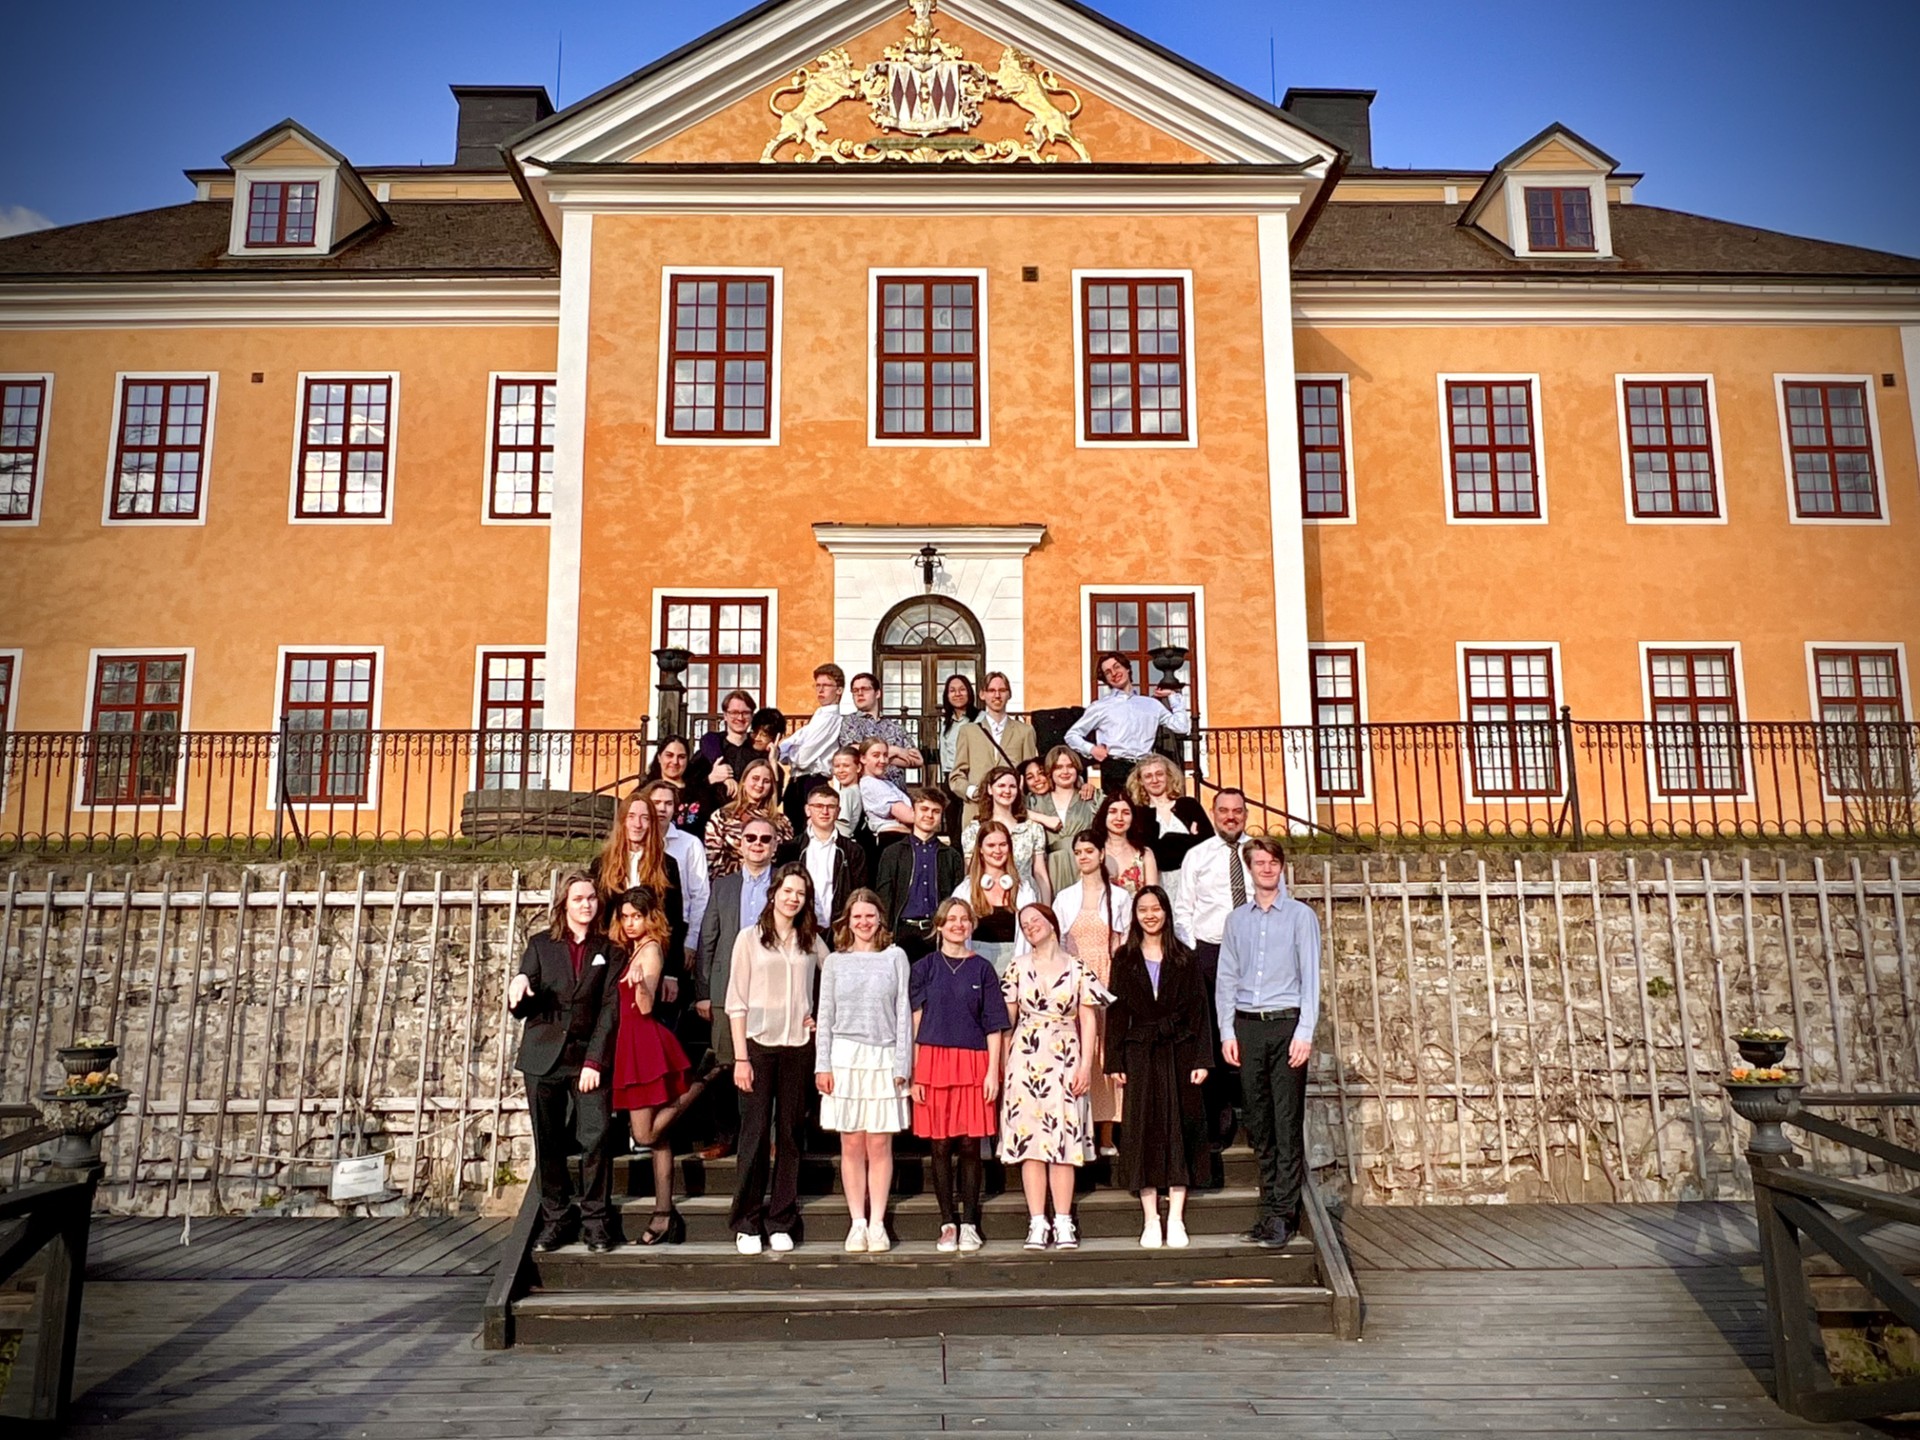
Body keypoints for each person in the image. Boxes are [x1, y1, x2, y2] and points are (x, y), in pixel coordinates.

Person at [509, 874, 621, 1253]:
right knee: (549, 1142)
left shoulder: (609, 950)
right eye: (578, 899)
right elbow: (526, 999)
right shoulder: (541, 945)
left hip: (587, 1058)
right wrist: (517, 989)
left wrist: (595, 1060)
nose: (586, 904)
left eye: (591, 898)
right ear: (565, 905)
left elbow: (610, 1009)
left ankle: (596, 1220)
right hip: (543, 1058)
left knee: (597, 1136)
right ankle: (556, 1218)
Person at [1217, 838, 1320, 1249]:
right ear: (1250, 868)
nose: (1266, 868)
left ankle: (1283, 1213)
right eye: (1259, 862)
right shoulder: (1236, 921)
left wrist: (1305, 1032)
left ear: (1281, 866)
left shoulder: (1299, 916)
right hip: (1248, 1027)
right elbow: (1226, 978)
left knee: (1286, 1120)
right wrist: (1227, 1031)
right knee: (1259, 1122)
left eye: (1272, 862)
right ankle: (1267, 1210)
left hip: (1285, 1024)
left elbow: (1310, 977)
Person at [726, 864, 828, 1254]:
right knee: (753, 1136)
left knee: (789, 1134)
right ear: (774, 893)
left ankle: (781, 1217)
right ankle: (747, 1220)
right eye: (788, 891)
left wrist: (822, 1017)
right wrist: (740, 1059)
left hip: (798, 1047)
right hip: (757, 1047)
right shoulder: (749, 939)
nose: (793, 898)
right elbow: (736, 1002)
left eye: (800, 894)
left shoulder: (810, 941)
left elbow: (834, 974)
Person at [1104, 885, 1211, 1248]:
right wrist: (1114, 1058)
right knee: (1142, 1129)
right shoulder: (1124, 959)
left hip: (1179, 1050)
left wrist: (1202, 1058)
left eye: (1156, 909)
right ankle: (1151, 1217)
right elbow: (1116, 1013)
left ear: (1166, 912)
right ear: (1135, 916)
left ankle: (1177, 1217)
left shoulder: (1185, 957)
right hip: (1140, 1052)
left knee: (1179, 1126)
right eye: (1143, 910)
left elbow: (1200, 1010)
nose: (1150, 915)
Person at [814, 889, 913, 1253]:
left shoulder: (895, 957)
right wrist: (821, 1063)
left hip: (884, 1057)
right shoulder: (836, 962)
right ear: (848, 921)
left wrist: (903, 1063)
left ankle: (877, 1223)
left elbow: (904, 1012)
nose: (864, 922)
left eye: (870, 916)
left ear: (880, 919)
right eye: (857, 916)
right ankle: (857, 1222)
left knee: (879, 1143)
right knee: (851, 1143)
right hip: (844, 1057)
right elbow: (825, 1015)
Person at [910, 899, 1010, 1253]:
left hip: (973, 1062)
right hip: (933, 1062)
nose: (957, 924)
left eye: (964, 919)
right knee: (939, 1145)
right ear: (939, 925)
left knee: (970, 1144)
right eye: (950, 919)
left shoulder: (983, 970)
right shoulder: (924, 968)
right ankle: (947, 1222)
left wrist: (993, 1073)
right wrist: (916, 1072)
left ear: (971, 926)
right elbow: (916, 1021)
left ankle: (969, 1223)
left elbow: (995, 1025)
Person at [998, 902, 1098, 1252]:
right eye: (1024, 925)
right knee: (1032, 1144)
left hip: (1066, 1055)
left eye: (1035, 921)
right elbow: (1006, 1022)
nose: (1030, 928)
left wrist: (1085, 1065)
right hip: (1025, 1058)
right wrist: (1002, 1065)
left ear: (1052, 923)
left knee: (1064, 1143)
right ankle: (1037, 1220)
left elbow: (1088, 1019)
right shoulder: (1017, 968)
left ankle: (1064, 1220)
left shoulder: (1077, 968)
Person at [610, 887, 704, 1246]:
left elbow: (646, 1006)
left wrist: (642, 989)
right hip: (632, 1046)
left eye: (638, 916)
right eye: (626, 916)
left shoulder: (650, 950)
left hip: (645, 1045)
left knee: (644, 1135)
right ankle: (664, 1214)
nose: (631, 923)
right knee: (658, 1138)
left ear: (651, 917)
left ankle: (702, 1085)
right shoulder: (632, 947)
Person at [694, 816, 780, 1159]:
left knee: (770, 1063)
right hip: (729, 987)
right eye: (751, 838)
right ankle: (726, 1135)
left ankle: (771, 1138)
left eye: (765, 839)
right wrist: (703, 991)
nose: (757, 844)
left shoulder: (784, 885)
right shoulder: (723, 887)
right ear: (740, 844)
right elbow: (708, 938)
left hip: (774, 989)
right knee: (727, 1064)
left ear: (775, 846)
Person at [1171, 787, 1253, 1147]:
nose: (1230, 817)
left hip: (1254, 953)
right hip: (1210, 951)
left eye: (1237, 811)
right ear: (1214, 814)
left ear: (1245, 814)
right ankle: (1219, 1115)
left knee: (1250, 1030)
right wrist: (1191, 956)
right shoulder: (1197, 855)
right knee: (1215, 1033)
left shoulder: (1260, 853)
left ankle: (1253, 1112)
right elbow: (1183, 908)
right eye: (1224, 811)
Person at [1053, 830, 1130, 1155]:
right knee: (1080, 1053)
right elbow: (1057, 944)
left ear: (1101, 854)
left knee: (1106, 1053)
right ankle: (1081, 1132)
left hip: (1109, 978)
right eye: (1078, 852)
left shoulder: (1120, 897)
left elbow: (1125, 944)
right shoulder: (1065, 898)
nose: (1083, 856)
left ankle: (1108, 1134)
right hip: (1075, 981)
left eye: (1089, 851)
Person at [592, 792, 688, 1006]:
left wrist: (672, 973)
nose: (637, 824)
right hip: (613, 954)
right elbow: (598, 919)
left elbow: (675, 920)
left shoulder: (667, 865)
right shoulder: (602, 865)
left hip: (653, 955)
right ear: (623, 821)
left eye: (644, 818)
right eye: (632, 816)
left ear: (652, 824)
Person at [1066, 651, 1192, 798]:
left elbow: (1181, 727)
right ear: (1105, 679)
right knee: (1118, 814)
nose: (1114, 673)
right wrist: (1092, 749)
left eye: (1117, 667)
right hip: (1115, 768)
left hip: (1144, 768)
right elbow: (1072, 735)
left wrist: (1173, 697)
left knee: (1145, 814)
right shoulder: (1100, 706)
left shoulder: (1151, 704)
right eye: (1108, 672)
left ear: (1127, 669)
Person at [876, 788, 964, 960]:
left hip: (937, 932)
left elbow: (956, 899)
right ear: (913, 812)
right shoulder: (893, 853)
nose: (929, 815)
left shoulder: (951, 856)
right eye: (924, 809)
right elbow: (884, 897)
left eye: (936, 811)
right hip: (902, 932)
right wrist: (886, 933)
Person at [642, 779, 708, 1001]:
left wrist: (691, 942)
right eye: (656, 802)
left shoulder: (689, 844)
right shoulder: (635, 843)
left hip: (677, 933)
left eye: (668, 803)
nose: (661, 808)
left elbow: (700, 896)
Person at [1126, 755, 1214, 909]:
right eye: (1148, 776)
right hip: (1159, 885)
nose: (1154, 780)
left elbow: (1208, 844)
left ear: (1169, 776)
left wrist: (1166, 842)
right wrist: (1187, 840)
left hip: (1194, 885)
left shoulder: (1188, 806)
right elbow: (1154, 855)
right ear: (1140, 781)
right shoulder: (1139, 814)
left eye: (1159, 774)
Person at [777, 782, 867, 928]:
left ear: (838, 812)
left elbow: (859, 894)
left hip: (839, 930)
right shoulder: (791, 849)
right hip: (798, 927)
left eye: (831, 807)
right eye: (818, 806)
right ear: (807, 810)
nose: (824, 812)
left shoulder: (853, 852)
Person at [951, 820, 1036, 975]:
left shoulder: (1023, 890)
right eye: (991, 845)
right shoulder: (965, 890)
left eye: (1002, 844)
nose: (997, 850)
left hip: (1014, 968)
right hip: (974, 966)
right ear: (980, 850)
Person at [949, 671, 1039, 814]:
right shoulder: (968, 732)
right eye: (991, 690)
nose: (997, 695)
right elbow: (956, 776)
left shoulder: (1025, 731)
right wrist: (972, 792)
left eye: (1002, 690)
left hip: (1012, 811)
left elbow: (1029, 774)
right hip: (976, 811)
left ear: (1009, 694)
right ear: (982, 695)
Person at [961, 765, 1052, 903]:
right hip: (988, 901)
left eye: (1012, 786)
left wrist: (1046, 908)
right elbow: (971, 873)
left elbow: (1040, 873)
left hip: (1025, 900)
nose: (1007, 791)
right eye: (1001, 786)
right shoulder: (973, 831)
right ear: (990, 789)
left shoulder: (1032, 829)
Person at [778, 663, 847, 831]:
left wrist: (792, 752)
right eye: (818, 685)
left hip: (813, 780)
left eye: (826, 685)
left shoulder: (831, 719)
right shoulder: (818, 715)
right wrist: (790, 750)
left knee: (808, 832)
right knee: (792, 831)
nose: (820, 690)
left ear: (839, 690)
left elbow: (802, 758)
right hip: (796, 782)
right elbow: (785, 747)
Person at [705, 757, 792, 879]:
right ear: (744, 780)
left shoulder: (781, 822)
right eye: (755, 778)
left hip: (770, 885)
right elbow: (711, 858)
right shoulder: (723, 816)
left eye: (766, 781)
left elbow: (786, 862)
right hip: (731, 884)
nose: (760, 785)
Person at [1029, 746, 1096, 897]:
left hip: (1086, 865)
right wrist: (1042, 818)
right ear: (1050, 772)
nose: (1065, 772)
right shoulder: (1036, 801)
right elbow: (1012, 812)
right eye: (1059, 767)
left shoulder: (1091, 797)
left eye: (1070, 766)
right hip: (1052, 868)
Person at [839, 672, 922, 786]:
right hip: (866, 794)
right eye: (855, 690)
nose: (860, 693)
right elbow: (852, 752)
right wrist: (896, 751)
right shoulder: (850, 721)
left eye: (865, 689)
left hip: (897, 793)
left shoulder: (895, 727)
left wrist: (872, 756)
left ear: (877, 693)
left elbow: (918, 760)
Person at [687, 689, 759, 819]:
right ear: (725, 716)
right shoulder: (710, 748)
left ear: (752, 716)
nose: (740, 717)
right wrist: (711, 779)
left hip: (750, 823)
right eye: (734, 712)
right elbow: (691, 787)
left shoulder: (757, 751)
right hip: (711, 822)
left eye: (746, 713)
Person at [856, 737, 914, 851]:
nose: (882, 760)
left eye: (885, 755)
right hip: (894, 841)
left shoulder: (885, 783)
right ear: (863, 758)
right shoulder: (871, 784)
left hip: (903, 839)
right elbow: (910, 816)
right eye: (876, 755)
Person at [1095, 794, 1159, 897]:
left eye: (1126, 813)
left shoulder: (1145, 854)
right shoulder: (1094, 852)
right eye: (1113, 812)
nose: (1119, 818)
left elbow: (1152, 895)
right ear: (1104, 815)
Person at [645, 736, 710, 835]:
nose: (675, 762)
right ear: (659, 757)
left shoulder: (701, 793)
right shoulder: (645, 791)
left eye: (681, 757)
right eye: (669, 755)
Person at [935, 673, 980, 795]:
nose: (957, 694)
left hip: (972, 778)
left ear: (969, 692)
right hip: (950, 779)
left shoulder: (981, 719)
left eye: (962, 689)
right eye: (952, 691)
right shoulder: (947, 723)